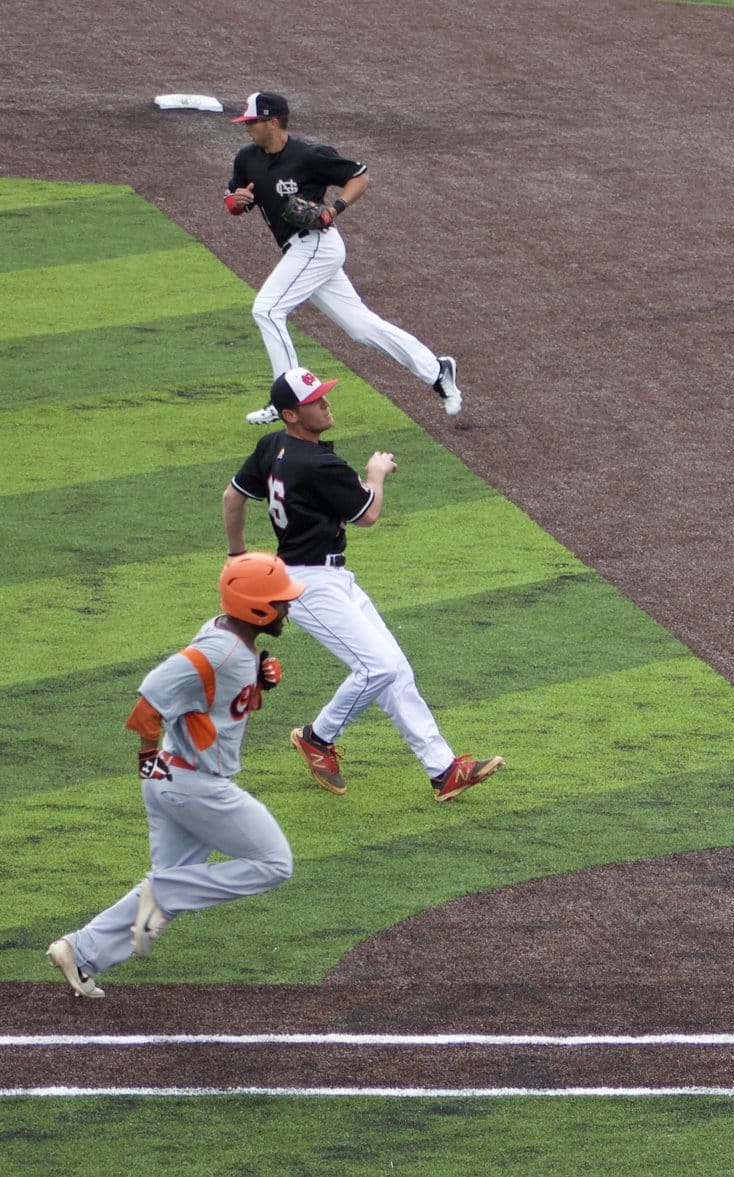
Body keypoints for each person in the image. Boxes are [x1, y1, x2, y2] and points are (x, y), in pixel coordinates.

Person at [224, 366, 503, 801]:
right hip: (307, 585)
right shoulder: (318, 462)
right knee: (378, 667)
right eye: (314, 401)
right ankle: (317, 738)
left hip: (328, 577)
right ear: (291, 415)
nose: (325, 402)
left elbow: (232, 496)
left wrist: (236, 554)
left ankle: (443, 770)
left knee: (396, 671)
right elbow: (368, 514)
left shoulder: (272, 445)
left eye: (323, 395)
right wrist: (376, 471)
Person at [46, 555, 304, 998]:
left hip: (174, 775)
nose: (287, 610)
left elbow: (211, 700)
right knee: (273, 864)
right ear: (257, 608)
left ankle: (79, 950)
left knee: (172, 884)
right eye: (279, 603)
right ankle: (160, 892)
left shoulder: (229, 639)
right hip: (191, 783)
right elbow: (149, 701)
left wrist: (259, 682)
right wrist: (149, 767)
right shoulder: (216, 650)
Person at [222, 90, 465, 425]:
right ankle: (437, 370)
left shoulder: (309, 155)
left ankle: (288, 398)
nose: (247, 127)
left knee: (267, 309)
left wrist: (334, 209)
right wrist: (238, 201)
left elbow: (359, 176)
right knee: (361, 328)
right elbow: (234, 200)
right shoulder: (247, 158)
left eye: (252, 122)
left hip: (318, 246)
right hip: (299, 250)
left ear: (273, 122)